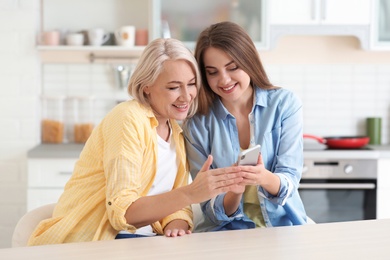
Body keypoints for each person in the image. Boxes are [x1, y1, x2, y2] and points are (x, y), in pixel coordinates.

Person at [28, 38, 244, 246]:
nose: (186, 96)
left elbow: (175, 204)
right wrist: (191, 193)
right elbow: (123, 213)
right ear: (147, 85)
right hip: (94, 241)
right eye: (173, 87)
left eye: (191, 84)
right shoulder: (127, 118)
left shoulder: (176, 132)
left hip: (143, 241)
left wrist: (176, 224)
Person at [183, 21, 307, 231]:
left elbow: (289, 182)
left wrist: (263, 177)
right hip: (226, 233)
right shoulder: (197, 124)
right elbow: (210, 208)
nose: (224, 80)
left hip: (282, 228)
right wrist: (235, 190)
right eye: (212, 72)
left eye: (233, 67)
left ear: (249, 62)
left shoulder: (284, 105)